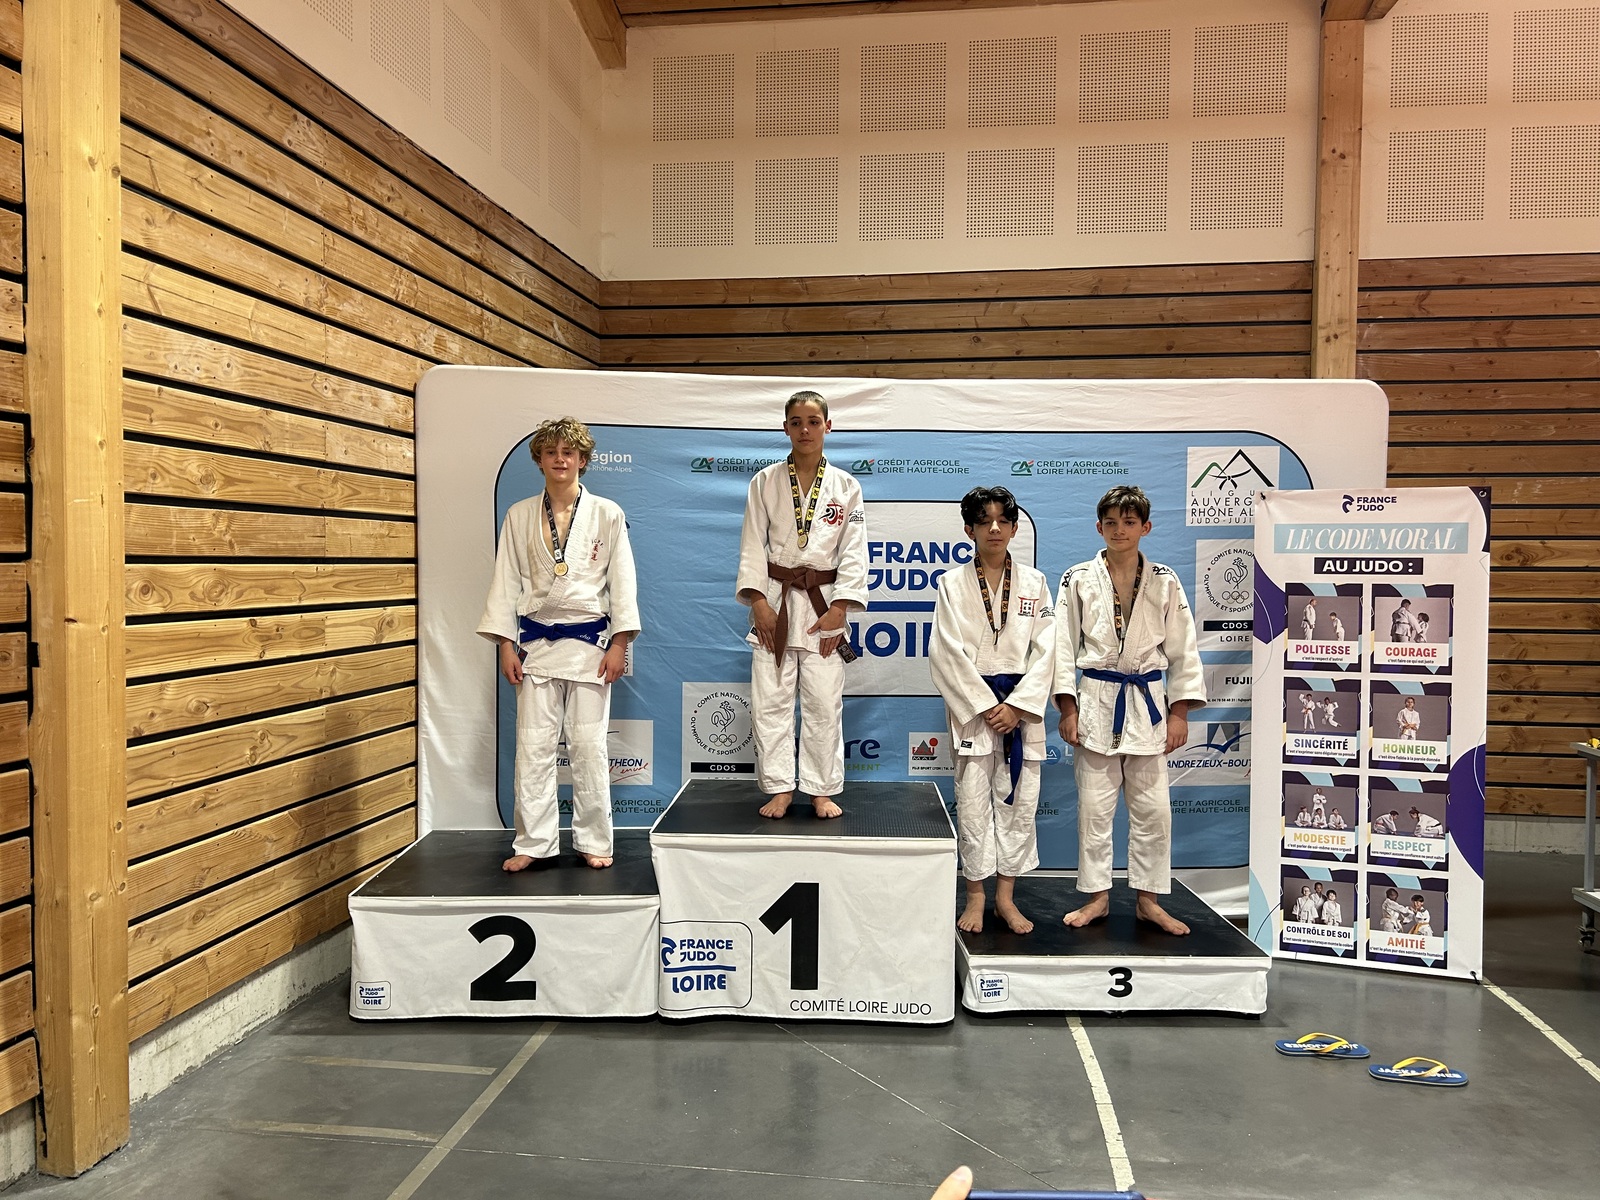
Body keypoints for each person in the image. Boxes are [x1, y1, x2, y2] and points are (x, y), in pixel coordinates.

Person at [479, 417, 640, 871]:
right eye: (551, 452)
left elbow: (622, 583)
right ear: (539, 460)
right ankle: (533, 841)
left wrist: (620, 643)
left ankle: (593, 839)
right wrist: (505, 644)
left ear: (583, 460)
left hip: (591, 645)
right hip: (535, 645)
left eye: (568, 452)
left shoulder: (607, 514)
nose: (560, 460)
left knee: (589, 747)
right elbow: (505, 583)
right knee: (533, 747)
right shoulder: (519, 515)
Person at [1055, 485, 1206, 935]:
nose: (1119, 530)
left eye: (1129, 522)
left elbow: (1183, 650)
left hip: (1147, 702)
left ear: (1146, 527)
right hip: (1096, 700)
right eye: (1111, 523)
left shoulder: (1165, 580)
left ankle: (1149, 900)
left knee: (1154, 812)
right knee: (1093, 811)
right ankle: (1097, 897)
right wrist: (1067, 707)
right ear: (1098, 527)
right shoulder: (1077, 578)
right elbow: (1061, 647)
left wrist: (1179, 713)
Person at [736, 391, 868, 819]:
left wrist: (840, 608)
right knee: (770, 702)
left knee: (823, 704)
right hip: (775, 603)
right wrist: (758, 602)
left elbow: (854, 551)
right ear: (785, 428)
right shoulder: (765, 481)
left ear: (828, 426)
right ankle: (779, 787)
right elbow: (752, 545)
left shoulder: (846, 486)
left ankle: (820, 789)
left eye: (813, 421)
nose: (805, 429)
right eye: (796, 422)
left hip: (823, 605)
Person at [930, 487, 1055, 935]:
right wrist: (986, 705)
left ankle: (1005, 897)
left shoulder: (1036, 583)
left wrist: (1018, 706)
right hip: (975, 709)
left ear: (1015, 528)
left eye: (1003, 520)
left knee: (1019, 803)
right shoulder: (951, 584)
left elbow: (1048, 649)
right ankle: (976, 895)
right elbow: (944, 652)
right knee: (972, 804)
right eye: (984, 521)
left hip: (1020, 708)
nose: (995, 528)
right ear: (970, 529)